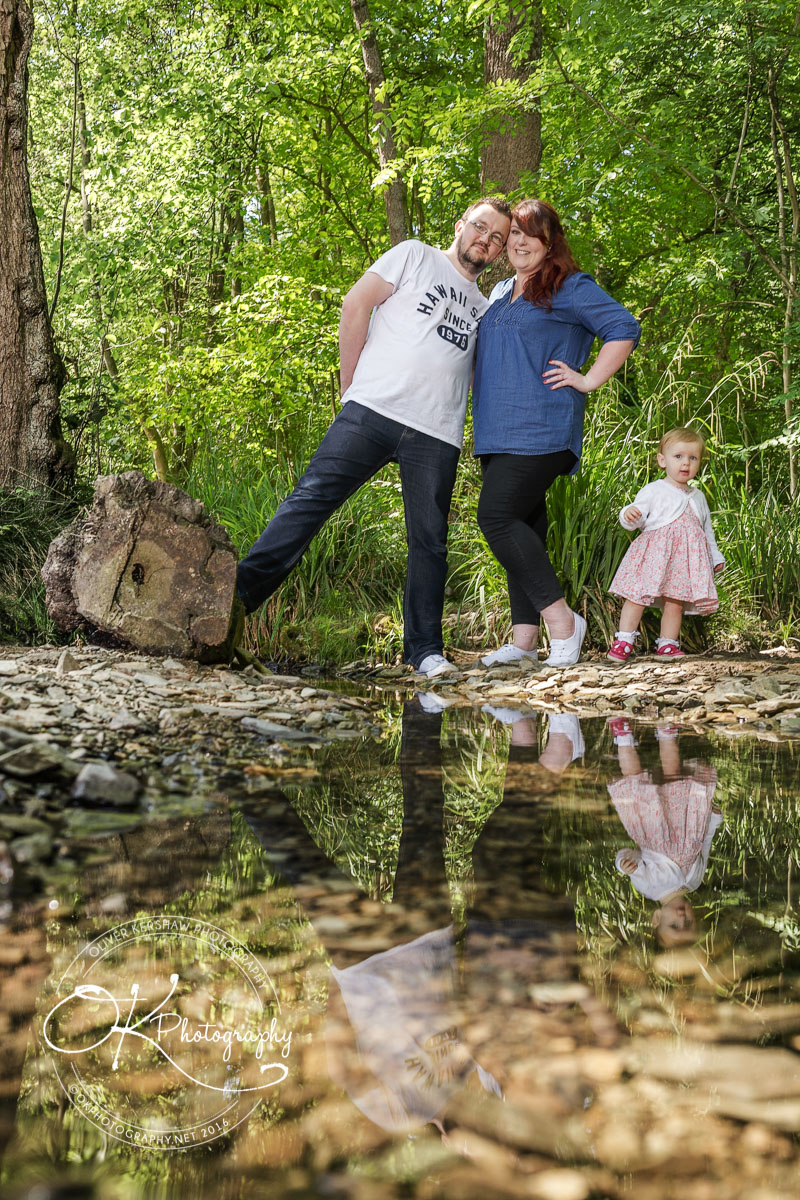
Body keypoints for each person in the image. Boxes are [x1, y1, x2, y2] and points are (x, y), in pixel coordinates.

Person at [235, 198, 512, 677]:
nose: (485, 240)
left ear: (500, 253)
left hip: (437, 432)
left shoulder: (486, 310)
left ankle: (425, 651)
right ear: (460, 225)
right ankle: (234, 601)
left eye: (497, 239)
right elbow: (356, 303)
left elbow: (476, 378)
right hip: (373, 409)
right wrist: (349, 389)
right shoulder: (414, 255)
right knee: (309, 502)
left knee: (429, 541)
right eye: (481, 228)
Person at [471, 199, 640, 669]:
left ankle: (563, 623)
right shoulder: (502, 289)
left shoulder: (568, 286)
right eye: (514, 236)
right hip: (495, 429)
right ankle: (523, 641)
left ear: (550, 242)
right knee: (523, 525)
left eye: (532, 234)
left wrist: (587, 379)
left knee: (497, 516)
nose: (520, 242)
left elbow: (624, 327)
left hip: (542, 425)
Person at [607, 426, 725, 662]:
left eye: (693, 458)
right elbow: (637, 514)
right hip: (654, 556)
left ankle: (668, 644)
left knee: (675, 602)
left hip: (682, 561)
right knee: (637, 596)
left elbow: (706, 532)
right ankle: (624, 640)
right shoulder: (654, 490)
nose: (685, 463)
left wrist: (715, 556)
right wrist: (630, 515)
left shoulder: (698, 496)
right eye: (678, 456)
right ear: (663, 460)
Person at [607, 717, 723, 948]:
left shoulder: (649, 887)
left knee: (635, 781)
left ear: (657, 918)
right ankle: (667, 732)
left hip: (653, 829)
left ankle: (623, 737)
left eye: (674, 925)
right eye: (688, 923)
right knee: (674, 775)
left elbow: (631, 859)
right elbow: (704, 846)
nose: (681, 918)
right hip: (687, 822)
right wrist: (714, 821)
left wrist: (623, 864)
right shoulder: (695, 882)